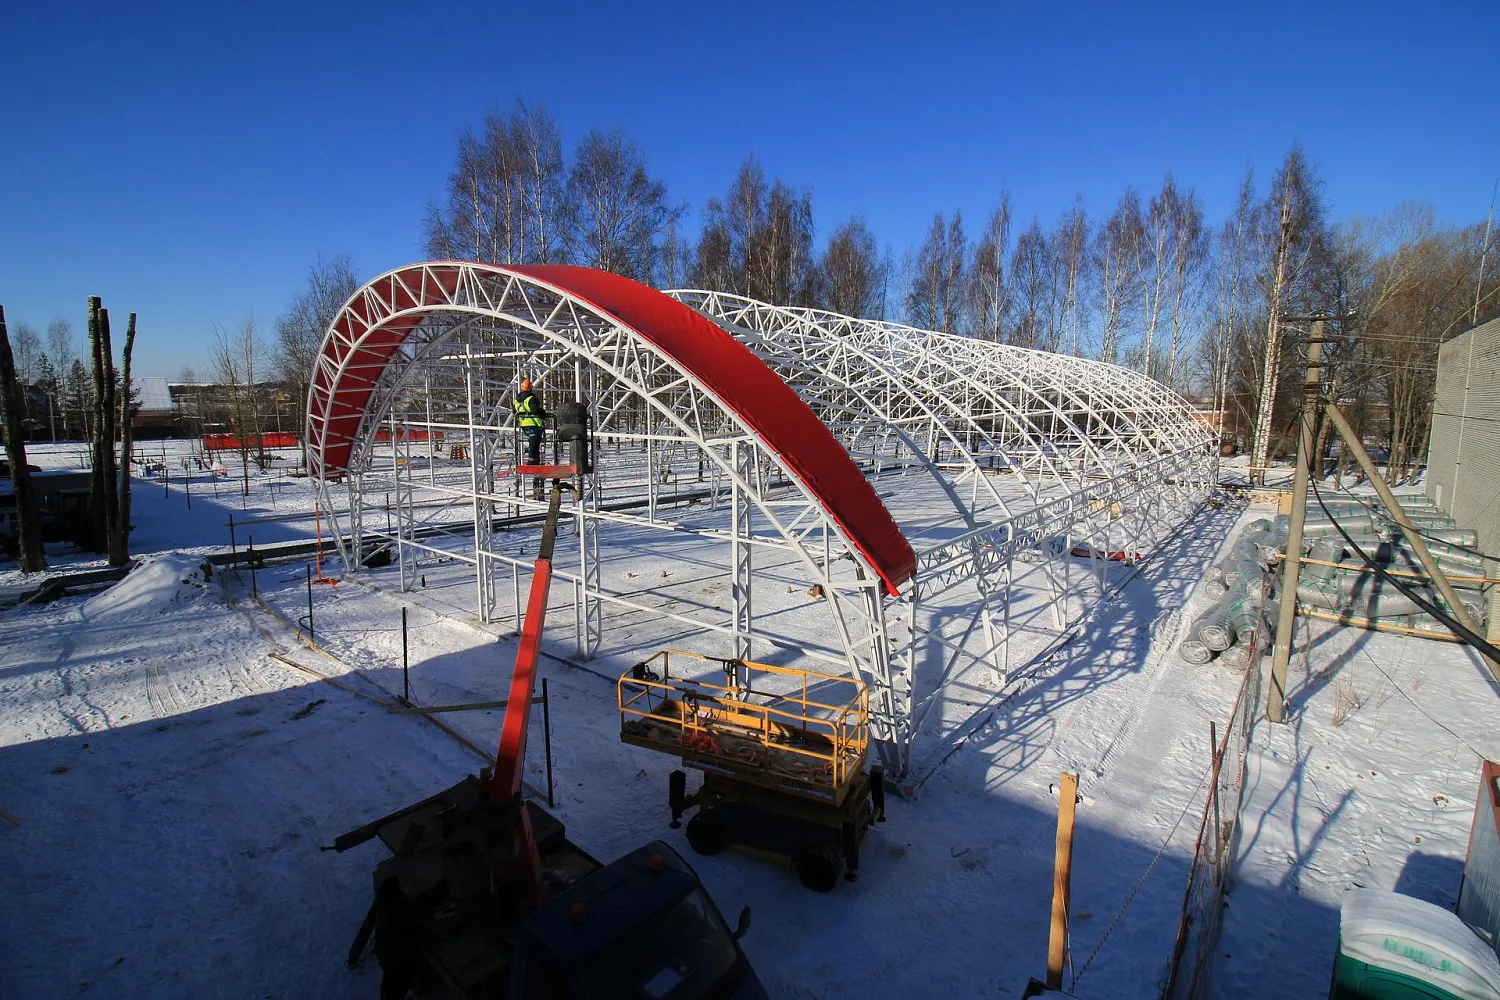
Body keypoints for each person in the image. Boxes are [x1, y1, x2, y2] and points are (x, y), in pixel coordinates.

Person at [512, 378, 547, 497]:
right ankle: (533, 461)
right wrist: (543, 413)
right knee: (535, 441)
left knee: (534, 441)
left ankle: (534, 459)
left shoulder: (518, 400)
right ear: (531, 388)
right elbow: (535, 411)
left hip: (524, 424)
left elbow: (514, 411)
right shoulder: (531, 399)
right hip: (533, 423)